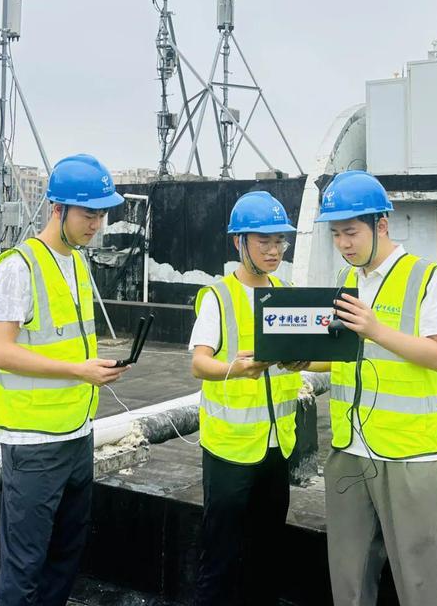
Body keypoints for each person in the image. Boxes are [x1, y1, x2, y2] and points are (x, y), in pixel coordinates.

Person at [314, 170, 437, 606]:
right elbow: (352, 356)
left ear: (381, 224)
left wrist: (376, 328)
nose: (343, 244)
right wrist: (302, 361)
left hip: (411, 454)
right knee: (349, 579)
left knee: (425, 584)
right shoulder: (348, 282)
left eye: (351, 232)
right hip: (350, 449)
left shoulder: (427, 278)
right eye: (336, 234)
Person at [0, 153, 128, 606]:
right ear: (58, 208)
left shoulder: (78, 263)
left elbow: (65, 343)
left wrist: (95, 368)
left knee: (65, 558)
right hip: (34, 443)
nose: (96, 225)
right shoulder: (19, 266)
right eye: (88, 214)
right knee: (25, 566)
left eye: (102, 215)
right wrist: (78, 371)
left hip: (77, 433)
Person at [190, 191, 304, 606]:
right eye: (263, 241)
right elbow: (199, 363)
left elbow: (309, 357)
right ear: (239, 242)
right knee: (219, 556)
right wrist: (235, 369)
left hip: (277, 446)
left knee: (267, 554)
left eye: (280, 241)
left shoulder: (287, 293)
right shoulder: (218, 297)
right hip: (229, 452)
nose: (274, 251)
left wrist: (304, 359)